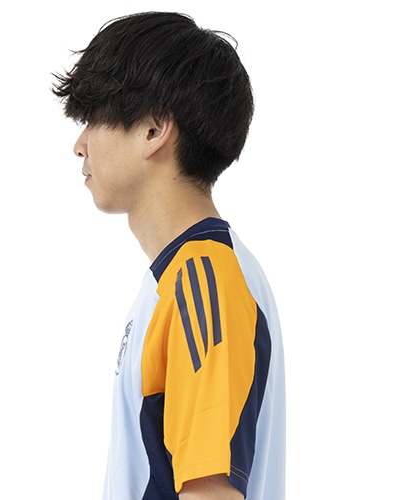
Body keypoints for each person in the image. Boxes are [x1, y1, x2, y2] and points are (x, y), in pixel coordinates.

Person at [52, 12, 285, 499]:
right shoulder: (183, 278)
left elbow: (211, 491)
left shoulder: (205, 280)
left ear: (154, 129)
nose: (80, 145)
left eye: (93, 119)